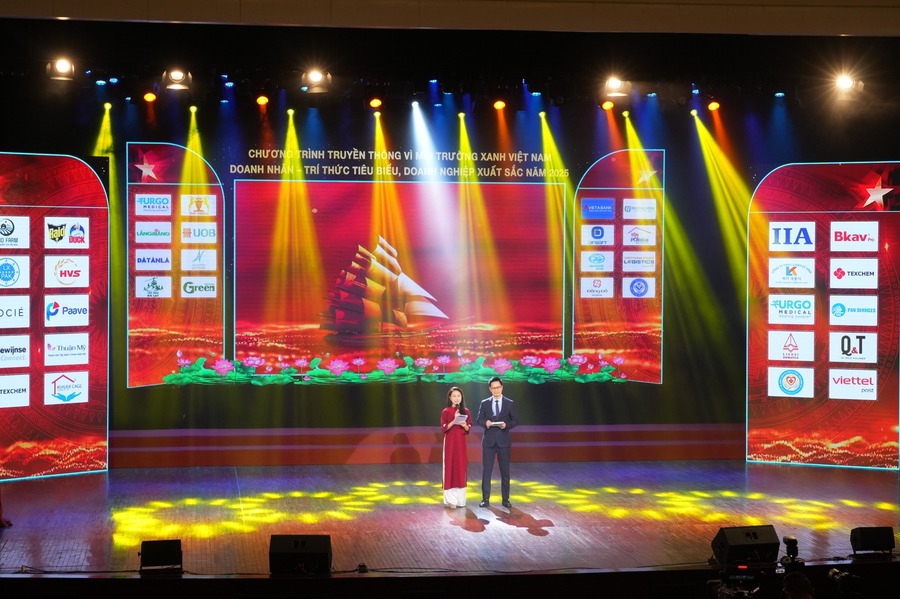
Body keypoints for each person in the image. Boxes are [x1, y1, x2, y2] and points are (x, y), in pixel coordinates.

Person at [476, 376, 518, 508]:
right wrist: (485, 423)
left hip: (503, 441)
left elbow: (515, 420)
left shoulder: (509, 403)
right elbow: (479, 419)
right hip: (489, 442)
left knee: (505, 472)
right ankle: (485, 498)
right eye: (493, 388)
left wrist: (506, 425)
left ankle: (505, 499)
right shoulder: (485, 403)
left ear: (502, 387)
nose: (496, 390)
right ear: (490, 389)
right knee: (486, 471)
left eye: (498, 387)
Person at [440, 386, 472, 508]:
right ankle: (451, 500)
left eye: (459, 396)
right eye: (454, 396)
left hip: (461, 443)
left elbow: (469, 428)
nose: (457, 398)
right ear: (450, 398)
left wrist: (464, 425)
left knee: (460, 468)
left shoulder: (466, 411)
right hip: (450, 443)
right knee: (449, 468)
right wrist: (454, 421)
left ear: (462, 397)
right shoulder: (446, 411)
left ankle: (460, 500)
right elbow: (444, 428)